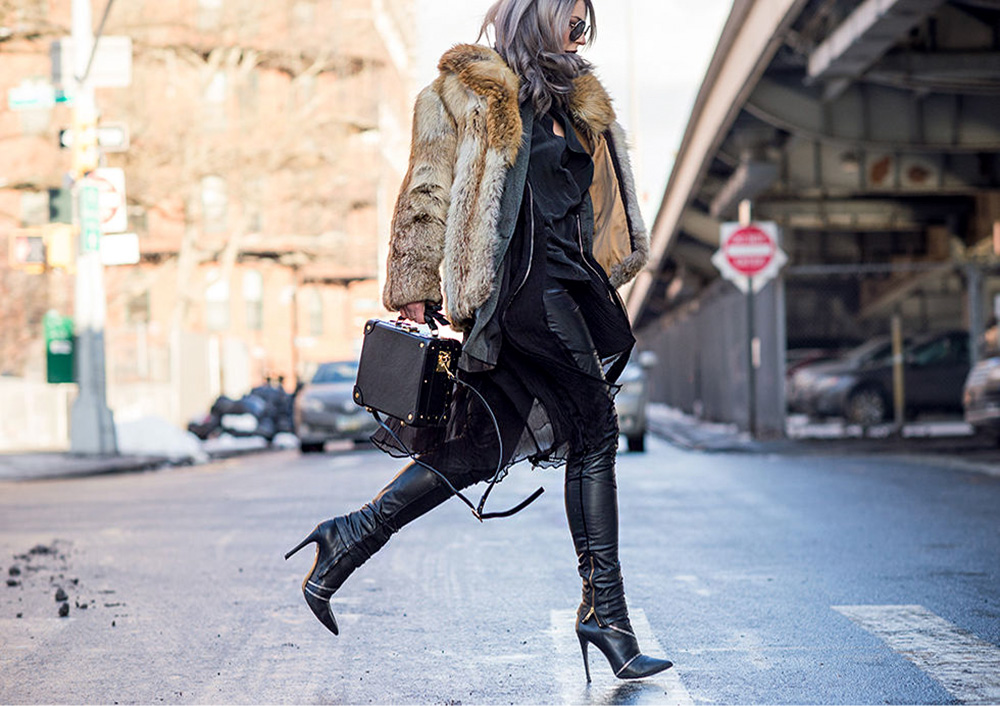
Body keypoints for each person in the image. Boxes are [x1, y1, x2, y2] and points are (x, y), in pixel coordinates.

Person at [285, 0, 672, 682]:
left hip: (564, 283)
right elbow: (427, 187)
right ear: (538, 17)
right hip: (515, 293)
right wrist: (412, 273)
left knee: (479, 448)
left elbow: (591, 205)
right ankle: (605, 613)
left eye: (586, 25)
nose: (579, 34)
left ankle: (348, 538)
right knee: (596, 428)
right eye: (571, 19)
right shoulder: (465, 92)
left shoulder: (579, 102)